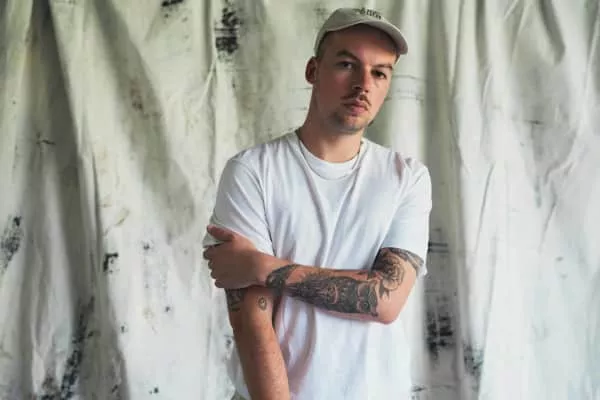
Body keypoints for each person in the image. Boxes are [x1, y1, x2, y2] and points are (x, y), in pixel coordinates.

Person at [203, 7, 432, 400]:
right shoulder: (253, 171)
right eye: (347, 64)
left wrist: (260, 267)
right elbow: (252, 321)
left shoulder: (406, 178)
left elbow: (385, 299)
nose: (363, 84)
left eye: (380, 72)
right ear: (313, 70)